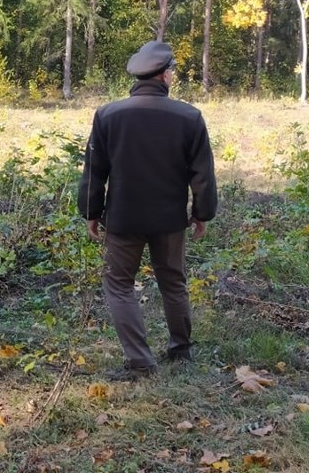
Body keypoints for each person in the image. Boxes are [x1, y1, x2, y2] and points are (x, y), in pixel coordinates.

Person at [77, 40, 217, 381]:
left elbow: (96, 169)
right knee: (173, 282)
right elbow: (202, 172)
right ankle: (180, 349)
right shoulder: (189, 117)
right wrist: (202, 213)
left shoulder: (108, 115)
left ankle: (141, 362)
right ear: (166, 75)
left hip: (123, 219)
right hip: (169, 219)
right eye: (172, 72)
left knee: (119, 286)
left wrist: (91, 212)